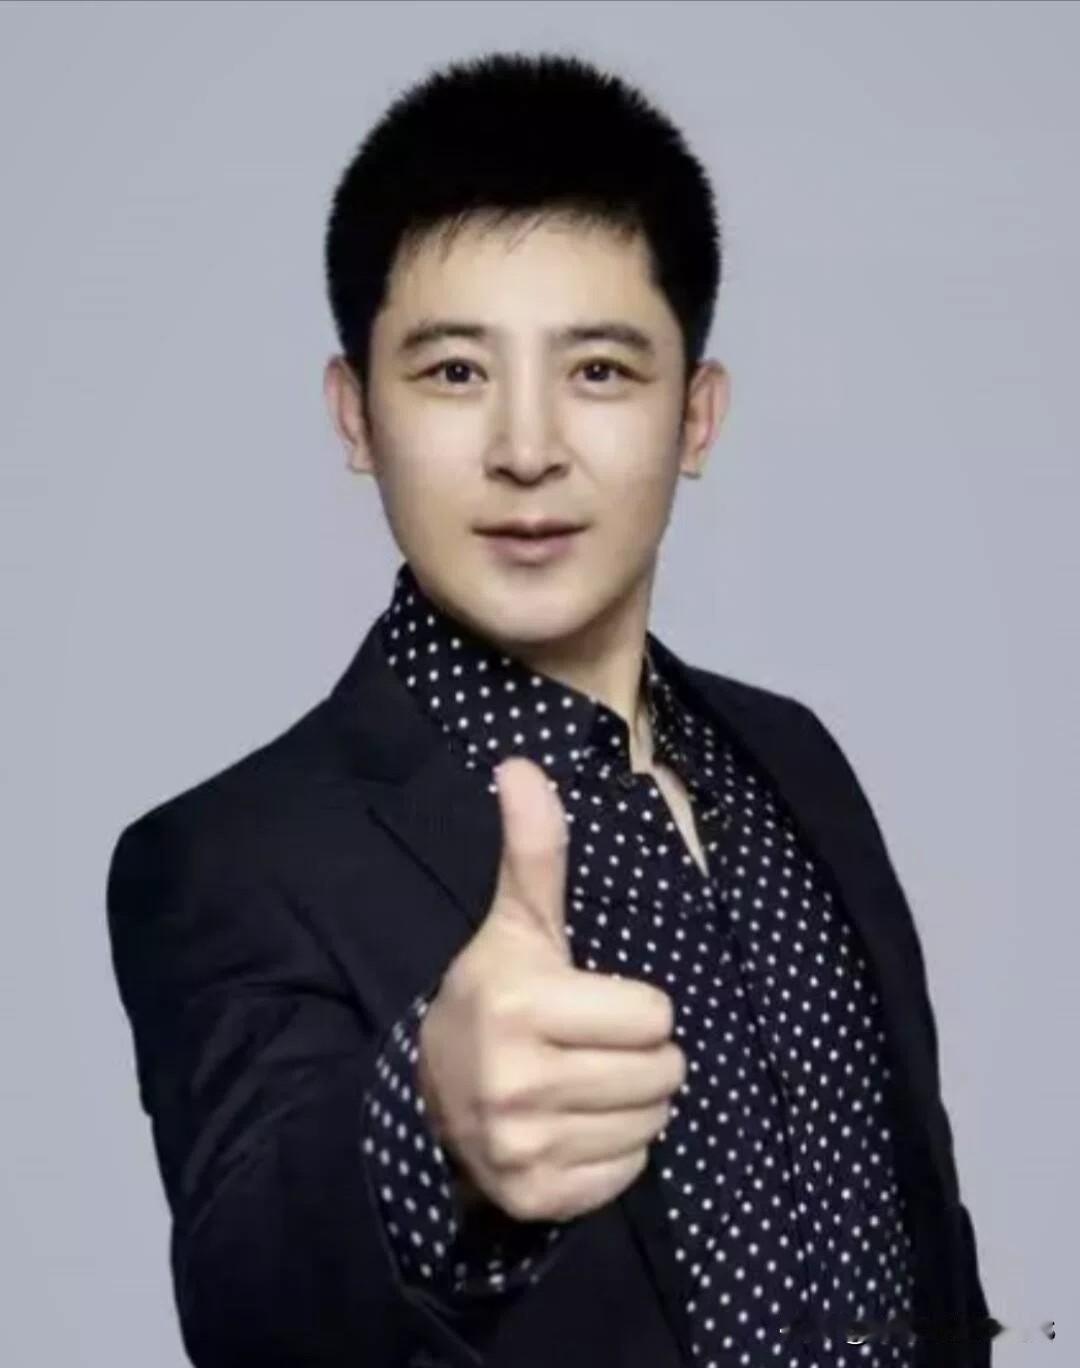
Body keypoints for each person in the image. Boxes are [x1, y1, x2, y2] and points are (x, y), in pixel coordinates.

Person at [105, 50, 992, 1368]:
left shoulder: (796, 760)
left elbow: (921, 1235)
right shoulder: (226, 859)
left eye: (601, 372)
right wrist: (428, 1134)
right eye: (455, 373)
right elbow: (255, 1302)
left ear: (697, 416)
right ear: (356, 414)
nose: (527, 450)